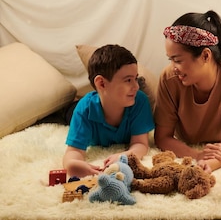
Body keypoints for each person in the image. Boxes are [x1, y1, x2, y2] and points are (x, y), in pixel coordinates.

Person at [154, 10, 221, 174]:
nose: (173, 67)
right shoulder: (168, 79)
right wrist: (196, 155)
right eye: (170, 59)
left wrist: (210, 164)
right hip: (190, 142)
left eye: (177, 60)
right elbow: (162, 137)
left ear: (206, 55)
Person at [63, 44, 154, 178]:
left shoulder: (139, 101)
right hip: (74, 109)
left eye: (136, 78)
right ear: (101, 84)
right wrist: (72, 163)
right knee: (64, 114)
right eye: (128, 80)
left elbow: (140, 144)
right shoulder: (84, 110)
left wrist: (124, 156)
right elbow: (74, 150)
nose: (136, 86)